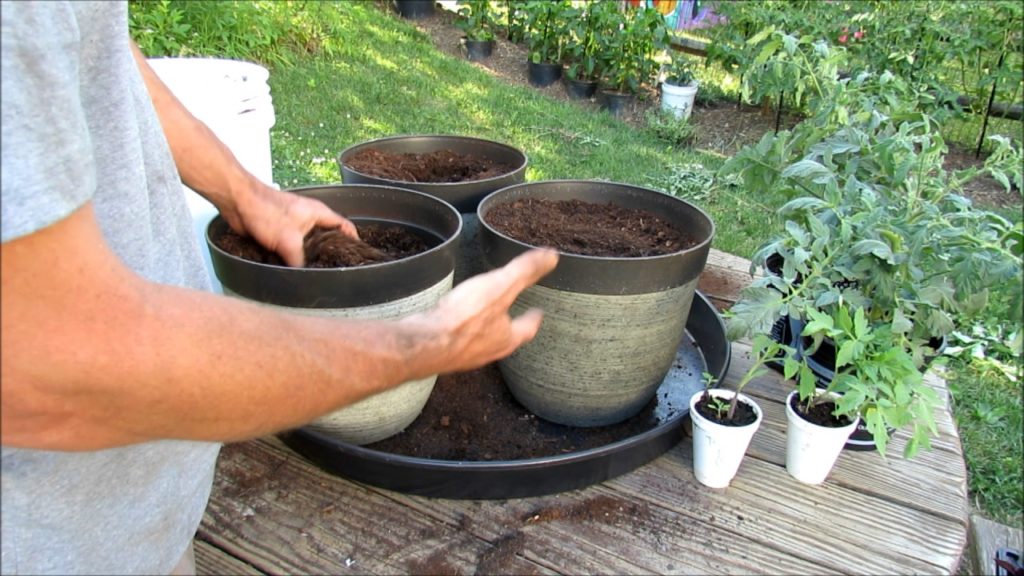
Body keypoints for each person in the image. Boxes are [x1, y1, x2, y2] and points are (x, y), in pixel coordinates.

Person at [0, 2, 558, 574]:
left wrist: (242, 192)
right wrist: (417, 345)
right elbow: (56, 371)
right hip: (50, 538)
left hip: (132, 509)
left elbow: (101, 49)